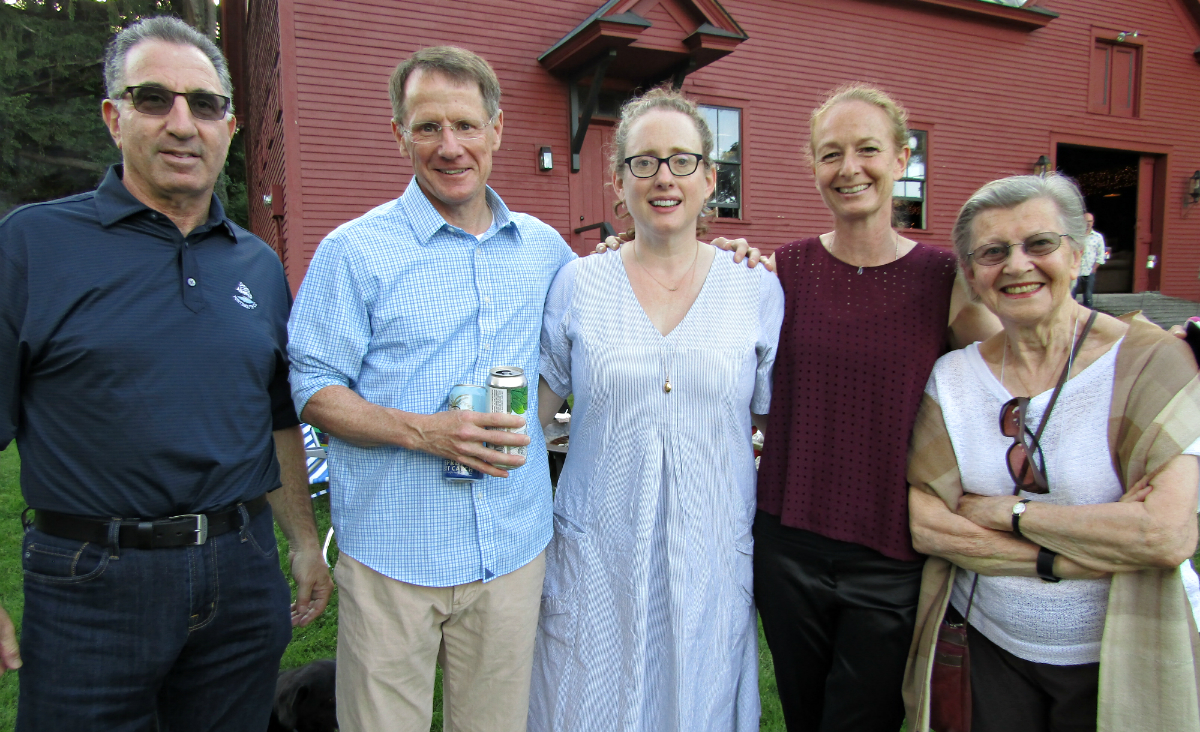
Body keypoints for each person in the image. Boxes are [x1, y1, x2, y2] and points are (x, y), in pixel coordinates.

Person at [0, 16, 331, 731]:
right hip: (92, 580)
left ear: (231, 126)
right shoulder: (35, 244)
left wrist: (305, 543)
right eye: (154, 99)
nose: (183, 123)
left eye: (204, 104)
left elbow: (276, 419)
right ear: (113, 117)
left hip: (240, 574)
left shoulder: (257, 265)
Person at [286, 47, 573, 732]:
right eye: (427, 127)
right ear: (399, 133)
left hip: (510, 550)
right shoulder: (355, 252)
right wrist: (425, 431)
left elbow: (608, 315)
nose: (450, 147)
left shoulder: (543, 250)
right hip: (394, 554)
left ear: (497, 129)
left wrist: (728, 258)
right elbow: (313, 388)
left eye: (467, 126)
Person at [904, 173, 1200, 732]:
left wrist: (1005, 512)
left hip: (1119, 648)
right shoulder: (954, 378)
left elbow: (1165, 534)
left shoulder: (1154, 364)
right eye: (992, 252)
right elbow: (929, 526)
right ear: (970, 273)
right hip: (990, 648)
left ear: (1079, 251)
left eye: (1039, 244)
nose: (1016, 266)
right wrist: (1065, 557)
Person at [528, 86, 784, 732]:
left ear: (709, 179)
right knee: (589, 699)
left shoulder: (754, 287)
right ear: (618, 182)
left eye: (681, 160)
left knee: (697, 699)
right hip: (597, 551)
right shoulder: (579, 285)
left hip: (709, 553)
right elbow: (532, 415)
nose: (663, 177)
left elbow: (771, 420)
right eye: (644, 162)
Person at [751, 83, 1000, 732]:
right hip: (788, 541)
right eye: (830, 154)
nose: (849, 168)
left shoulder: (945, 281)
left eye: (867, 149)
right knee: (806, 716)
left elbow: (1012, 370)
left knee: (865, 720)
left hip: (889, 554)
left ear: (901, 157)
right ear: (812, 168)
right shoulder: (782, 271)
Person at [1073, 212, 1105, 307]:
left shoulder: (1098, 237)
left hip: (1089, 271)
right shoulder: (1074, 236)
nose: (1088, 224)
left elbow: (1101, 255)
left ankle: (1088, 317)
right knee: (1071, 295)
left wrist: (1094, 269)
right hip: (1075, 271)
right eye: (1085, 221)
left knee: (1088, 296)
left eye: (1090, 221)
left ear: (1093, 222)